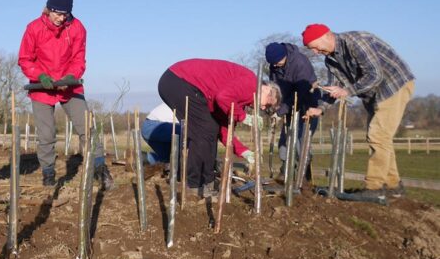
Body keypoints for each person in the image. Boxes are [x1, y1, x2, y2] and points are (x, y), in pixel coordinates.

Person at [302, 24, 414, 201]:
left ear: (326, 36)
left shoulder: (355, 42)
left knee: (378, 135)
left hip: (394, 85)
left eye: (315, 47)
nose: (315, 52)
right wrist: (320, 108)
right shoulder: (330, 60)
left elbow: (375, 75)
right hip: (372, 95)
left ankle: (374, 187)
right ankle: (393, 187)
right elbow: (333, 90)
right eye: (312, 49)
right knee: (380, 137)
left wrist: (347, 91)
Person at [18, 0, 113, 189]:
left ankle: (99, 169)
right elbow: (25, 59)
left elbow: (79, 58)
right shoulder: (34, 28)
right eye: (57, 13)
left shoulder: (78, 28)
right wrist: (40, 75)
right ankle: (48, 174)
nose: (60, 18)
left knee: (87, 128)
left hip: (69, 86)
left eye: (64, 14)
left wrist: (72, 76)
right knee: (46, 134)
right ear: (48, 9)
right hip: (41, 86)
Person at [157, 59, 281, 198]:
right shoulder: (251, 83)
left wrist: (244, 152)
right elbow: (223, 97)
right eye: (267, 104)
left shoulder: (239, 100)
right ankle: (195, 184)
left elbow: (223, 130)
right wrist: (244, 117)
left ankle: (204, 182)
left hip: (176, 82)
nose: (263, 108)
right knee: (204, 131)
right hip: (180, 80)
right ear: (265, 89)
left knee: (210, 128)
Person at [265, 42, 321, 181]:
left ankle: (305, 177)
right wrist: (275, 107)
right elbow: (276, 88)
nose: (276, 66)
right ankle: (285, 171)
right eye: (273, 64)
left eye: (278, 62)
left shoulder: (300, 62)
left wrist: (282, 110)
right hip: (287, 106)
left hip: (306, 105)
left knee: (301, 140)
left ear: (284, 55)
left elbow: (301, 92)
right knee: (286, 139)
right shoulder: (275, 65)